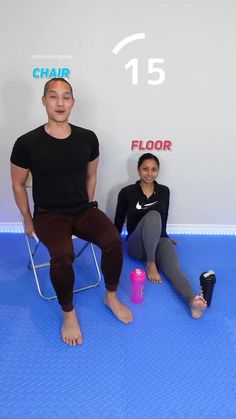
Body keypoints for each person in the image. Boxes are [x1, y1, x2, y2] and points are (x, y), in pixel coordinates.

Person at [10, 77, 132, 346]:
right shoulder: (26, 143)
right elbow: (18, 183)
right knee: (63, 255)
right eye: (53, 96)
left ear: (73, 102)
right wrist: (27, 219)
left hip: (81, 210)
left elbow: (91, 175)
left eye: (66, 96)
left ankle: (110, 295)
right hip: (49, 215)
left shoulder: (88, 138)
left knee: (113, 240)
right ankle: (69, 313)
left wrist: (89, 205)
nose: (60, 102)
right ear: (44, 101)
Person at [114, 153, 207, 319]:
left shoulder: (164, 191)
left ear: (158, 171)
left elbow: (164, 219)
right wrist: (112, 244)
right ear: (138, 169)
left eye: (154, 169)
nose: (149, 173)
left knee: (174, 269)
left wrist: (165, 236)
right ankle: (151, 263)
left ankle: (192, 301)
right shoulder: (127, 192)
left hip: (158, 239)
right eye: (145, 169)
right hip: (137, 245)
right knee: (153, 215)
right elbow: (119, 221)